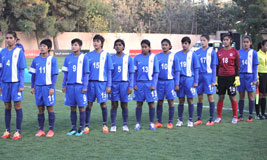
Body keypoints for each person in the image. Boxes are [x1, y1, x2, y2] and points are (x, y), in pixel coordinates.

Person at [0, 31, 27, 140]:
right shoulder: (2, 52)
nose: (8, 40)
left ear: (15, 39)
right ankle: (7, 131)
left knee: (17, 106)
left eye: (11, 38)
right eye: (7, 38)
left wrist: (21, 84)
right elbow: (0, 69)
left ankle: (18, 131)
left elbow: (21, 70)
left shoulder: (19, 52)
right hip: (5, 84)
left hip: (16, 84)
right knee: (7, 106)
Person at [30, 39, 58, 137]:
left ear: (49, 48)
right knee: (40, 109)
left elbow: (54, 75)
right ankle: (41, 130)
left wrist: (52, 87)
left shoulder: (52, 59)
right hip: (38, 87)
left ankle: (51, 130)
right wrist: (32, 86)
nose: (41, 48)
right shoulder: (35, 60)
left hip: (48, 87)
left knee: (50, 108)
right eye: (41, 46)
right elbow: (33, 75)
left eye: (44, 46)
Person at [85, 35, 113, 133]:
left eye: (97, 41)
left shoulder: (106, 55)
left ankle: (105, 125)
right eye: (94, 41)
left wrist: (109, 85)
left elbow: (109, 71)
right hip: (90, 84)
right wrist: (85, 85)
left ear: (101, 43)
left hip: (102, 84)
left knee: (103, 104)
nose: (95, 43)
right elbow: (86, 72)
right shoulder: (88, 55)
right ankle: (86, 126)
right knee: (89, 104)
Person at [62, 38, 89, 136]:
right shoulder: (68, 58)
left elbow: (86, 74)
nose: (74, 46)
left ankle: (81, 128)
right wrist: (63, 85)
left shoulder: (84, 58)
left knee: (81, 108)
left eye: (76, 45)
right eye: (72, 44)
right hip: (70, 87)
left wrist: (85, 86)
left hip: (80, 86)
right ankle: (73, 128)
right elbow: (65, 74)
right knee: (72, 108)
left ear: (80, 46)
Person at [133, 39, 159, 131]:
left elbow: (156, 72)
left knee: (151, 104)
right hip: (139, 84)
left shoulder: (153, 57)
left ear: (149, 47)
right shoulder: (136, 58)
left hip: (149, 84)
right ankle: (138, 123)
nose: (144, 48)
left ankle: (151, 123)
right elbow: (134, 72)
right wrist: (134, 84)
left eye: (145, 47)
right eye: (142, 47)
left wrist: (154, 84)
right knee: (139, 104)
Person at [215, 32, 240, 124]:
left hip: (231, 77)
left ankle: (235, 116)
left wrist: (237, 77)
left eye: (227, 40)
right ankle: (219, 117)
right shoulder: (219, 52)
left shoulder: (235, 52)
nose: (225, 42)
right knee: (220, 97)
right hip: (221, 78)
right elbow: (217, 66)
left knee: (232, 97)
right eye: (224, 40)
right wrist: (216, 77)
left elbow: (237, 66)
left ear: (230, 41)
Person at [155, 39, 180, 129]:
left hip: (170, 82)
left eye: (166, 45)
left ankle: (170, 122)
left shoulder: (174, 57)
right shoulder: (157, 57)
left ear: (169, 46)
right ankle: (159, 121)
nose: (164, 46)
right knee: (160, 101)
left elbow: (177, 71)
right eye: (163, 45)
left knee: (171, 101)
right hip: (160, 82)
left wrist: (176, 84)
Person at [110, 39, 134, 132]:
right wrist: (109, 86)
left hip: (124, 84)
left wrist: (130, 86)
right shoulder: (111, 58)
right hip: (114, 85)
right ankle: (113, 125)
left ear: (123, 47)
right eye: (116, 45)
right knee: (114, 105)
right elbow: (109, 73)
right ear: (114, 47)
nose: (118, 46)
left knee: (124, 105)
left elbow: (131, 73)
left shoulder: (128, 58)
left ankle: (125, 124)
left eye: (120, 45)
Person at [175, 36, 200, 128]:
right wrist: (176, 82)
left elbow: (196, 69)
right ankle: (180, 120)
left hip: (189, 79)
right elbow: (175, 70)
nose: (184, 45)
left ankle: (190, 120)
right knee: (181, 100)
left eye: (186, 43)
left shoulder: (193, 55)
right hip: (180, 79)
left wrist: (196, 81)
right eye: (183, 43)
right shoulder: (177, 55)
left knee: (190, 100)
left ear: (189, 44)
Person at [194, 34, 217, 126]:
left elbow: (214, 66)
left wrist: (213, 80)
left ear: (208, 41)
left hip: (208, 77)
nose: (202, 42)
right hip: (200, 77)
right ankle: (199, 118)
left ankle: (211, 119)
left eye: (204, 40)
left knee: (210, 97)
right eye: (201, 40)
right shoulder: (197, 52)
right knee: (199, 97)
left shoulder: (212, 51)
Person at [237, 36, 258, 122]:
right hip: (241, 76)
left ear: (250, 43)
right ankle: (241, 115)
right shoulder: (238, 52)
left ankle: (250, 116)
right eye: (244, 42)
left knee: (251, 96)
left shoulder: (253, 53)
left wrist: (255, 79)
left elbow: (255, 67)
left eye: (247, 42)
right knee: (241, 96)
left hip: (250, 76)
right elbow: (237, 66)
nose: (245, 43)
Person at [255, 39, 267, 119]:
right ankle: (257, 114)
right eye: (266, 45)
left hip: (266, 75)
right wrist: (257, 78)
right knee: (259, 95)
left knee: (265, 95)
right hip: (261, 75)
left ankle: (263, 113)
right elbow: (255, 68)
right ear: (262, 45)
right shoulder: (257, 54)